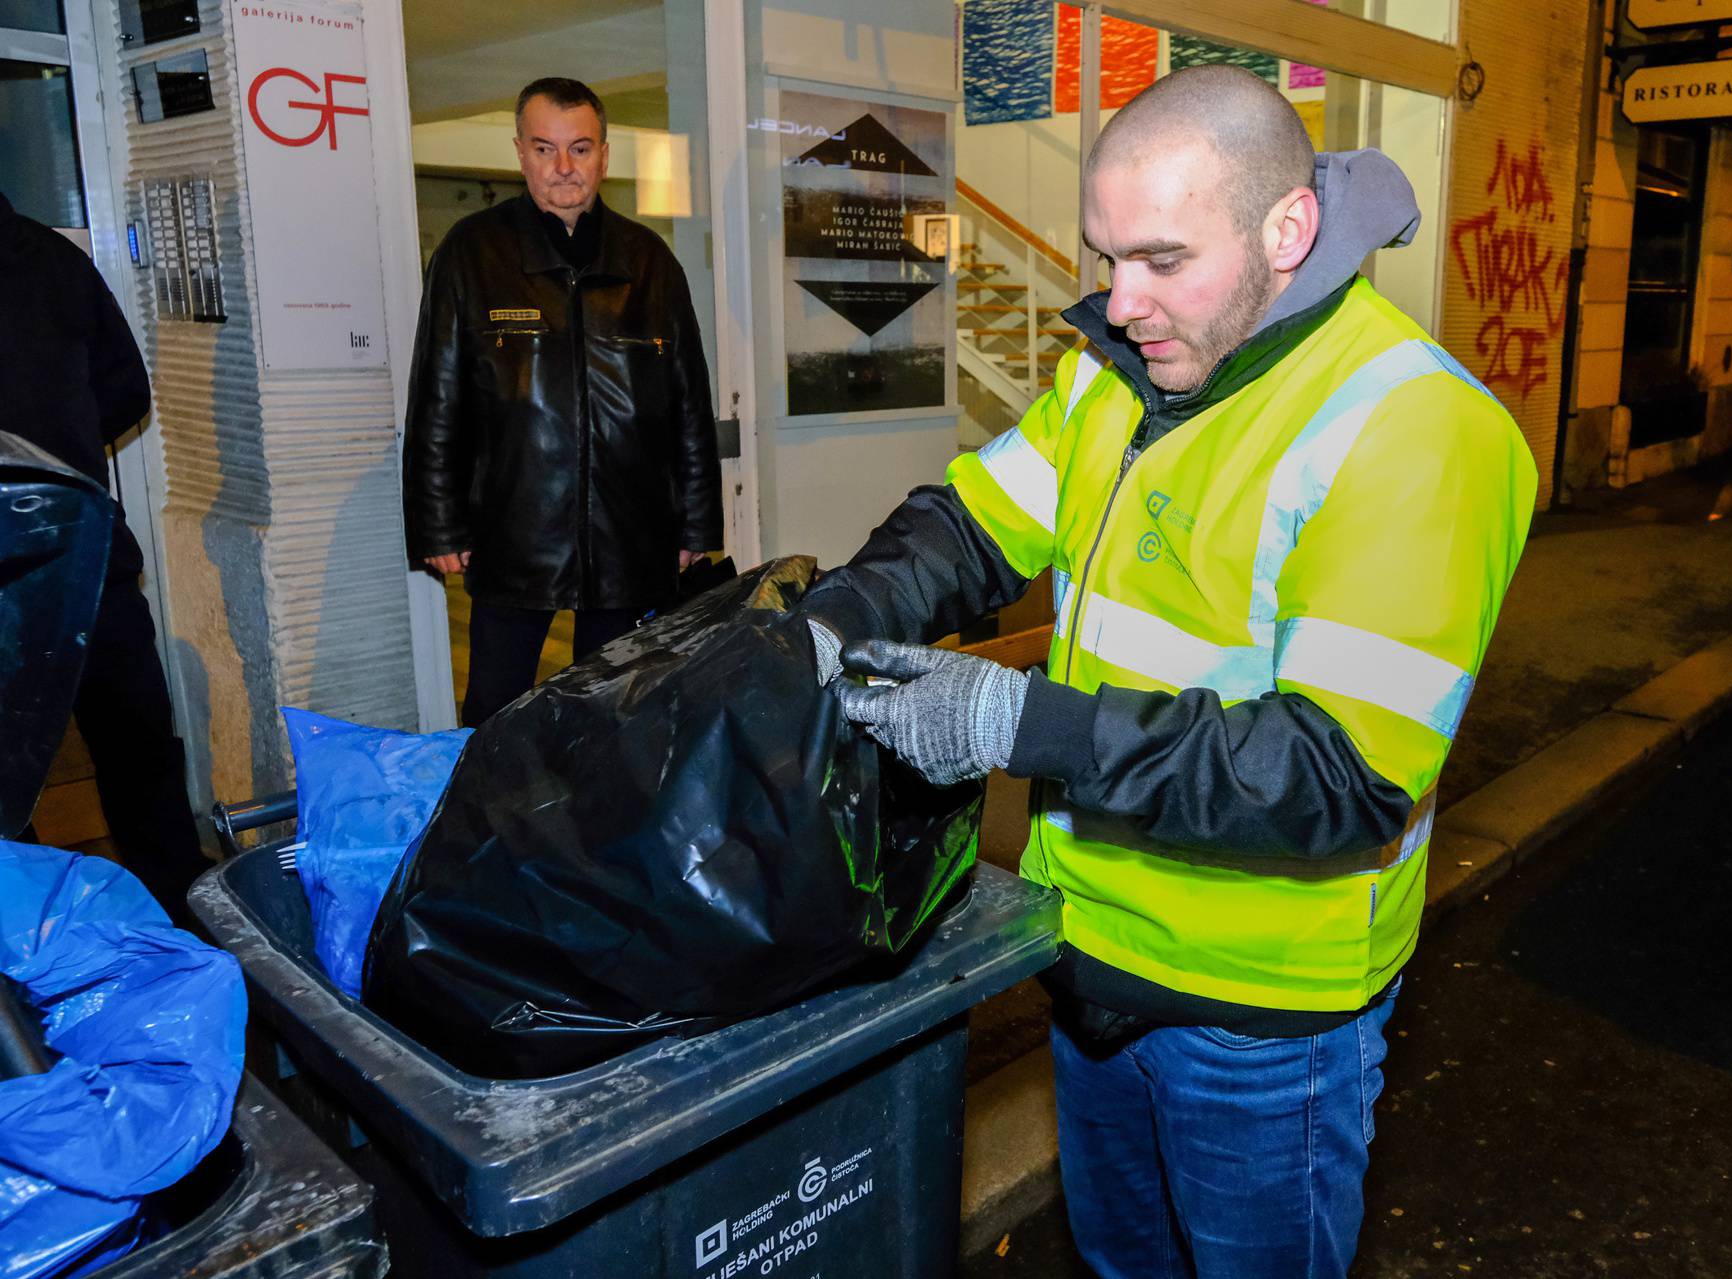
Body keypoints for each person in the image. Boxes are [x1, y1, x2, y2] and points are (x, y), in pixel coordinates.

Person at [798, 67, 1536, 1277]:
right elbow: (977, 523)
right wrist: (831, 623)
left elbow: (1333, 776)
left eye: (1160, 259)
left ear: (1285, 231)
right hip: (1088, 957)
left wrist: (1015, 721)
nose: (1119, 300)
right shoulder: (1123, 369)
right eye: (1107, 256)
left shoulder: (1413, 429)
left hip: (1256, 1020)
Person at [404, 77, 723, 726]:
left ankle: (603, 821)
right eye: (546, 149)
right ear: (520, 152)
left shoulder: (650, 261)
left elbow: (689, 400)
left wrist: (696, 524)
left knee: (617, 705)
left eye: (580, 149)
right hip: (513, 527)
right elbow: (437, 399)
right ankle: (491, 822)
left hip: (629, 530)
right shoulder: (471, 254)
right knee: (496, 705)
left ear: (605, 155)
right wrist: (438, 525)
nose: (564, 168)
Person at [0, 189, 208, 922]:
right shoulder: (55, 258)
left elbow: (124, 388)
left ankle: (185, 921)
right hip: (61, 560)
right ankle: (36, 946)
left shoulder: (55, 262)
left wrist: (60, 450)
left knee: (138, 748)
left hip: (85, 562)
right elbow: (120, 393)